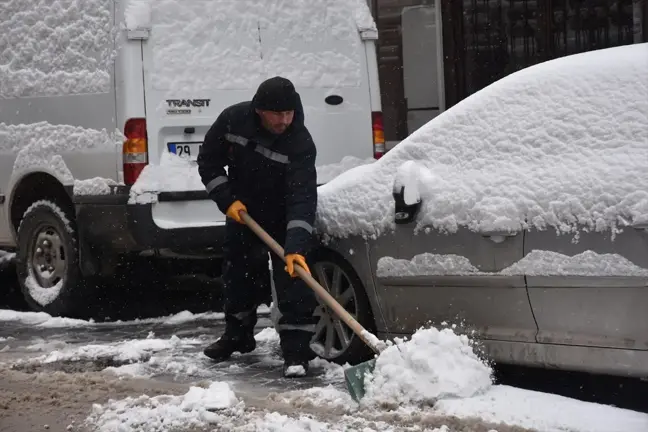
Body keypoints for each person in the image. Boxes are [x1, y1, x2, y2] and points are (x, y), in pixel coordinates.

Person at [196, 76, 319, 378]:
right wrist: (227, 199)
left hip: (282, 214)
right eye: (277, 114)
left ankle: (296, 352)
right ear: (259, 110)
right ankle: (237, 335)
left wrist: (296, 247)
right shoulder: (233, 120)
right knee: (238, 274)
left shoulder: (300, 142)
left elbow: (303, 198)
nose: (284, 120)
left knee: (294, 280)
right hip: (244, 211)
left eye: (289, 113)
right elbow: (208, 161)